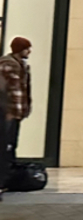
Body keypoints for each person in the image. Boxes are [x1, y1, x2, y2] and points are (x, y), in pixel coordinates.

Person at [0, 37, 32, 195]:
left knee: (10, 145)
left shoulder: (22, 66)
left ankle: (7, 178)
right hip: (8, 112)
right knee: (5, 145)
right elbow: (13, 90)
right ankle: (3, 179)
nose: (29, 51)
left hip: (14, 113)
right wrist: (11, 112)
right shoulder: (9, 65)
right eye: (27, 48)